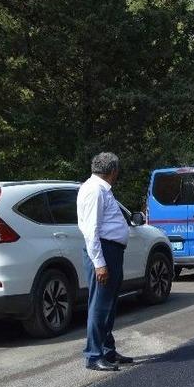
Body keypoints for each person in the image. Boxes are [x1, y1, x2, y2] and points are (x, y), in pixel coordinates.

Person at [77, 152, 131, 372]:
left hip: (112, 250)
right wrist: (99, 263)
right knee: (99, 305)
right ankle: (93, 354)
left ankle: (107, 350)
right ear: (113, 171)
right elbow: (91, 231)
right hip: (103, 251)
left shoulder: (100, 189)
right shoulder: (95, 190)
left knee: (108, 304)